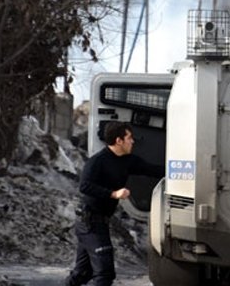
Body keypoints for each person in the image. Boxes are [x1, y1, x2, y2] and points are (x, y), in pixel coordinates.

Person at [65, 121, 164, 286]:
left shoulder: (128, 160)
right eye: (129, 138)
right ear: (119, 140)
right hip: (89, 222)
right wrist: (112, 194)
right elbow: (84, 186)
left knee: (83, 273)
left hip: (100, 222)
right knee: (104, 273)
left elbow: (152, 170)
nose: (132, 141)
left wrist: (179, 169)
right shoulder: (98, 161)